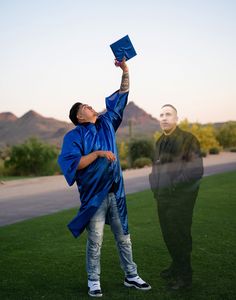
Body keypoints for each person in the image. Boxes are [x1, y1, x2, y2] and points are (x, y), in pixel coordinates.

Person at [58, 59, 151, 297]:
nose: (91, 107)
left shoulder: (108, 123)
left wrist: (125, 70)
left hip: (116, 192)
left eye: (89, 104)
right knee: (96, 241)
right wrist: (98, 153)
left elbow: (121, 95)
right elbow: (74, 163)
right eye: (85, 107)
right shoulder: (74, 136)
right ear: (79, 117)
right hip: (94, 197)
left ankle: (132, 276)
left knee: (124, 238)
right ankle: (93, 281)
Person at [149, 104, 203, 291]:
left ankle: (184, 276)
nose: (164, 118)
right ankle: (175, 266)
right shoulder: (158, 142)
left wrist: (173, 187)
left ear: (176, 119)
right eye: (161, 114)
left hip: (181, 198)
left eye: (168, 114)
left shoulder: (189, 139)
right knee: (168, 234)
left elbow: (195, 170)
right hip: (162, 198)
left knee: (180, 235)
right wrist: (155, 189)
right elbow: (155, 169)